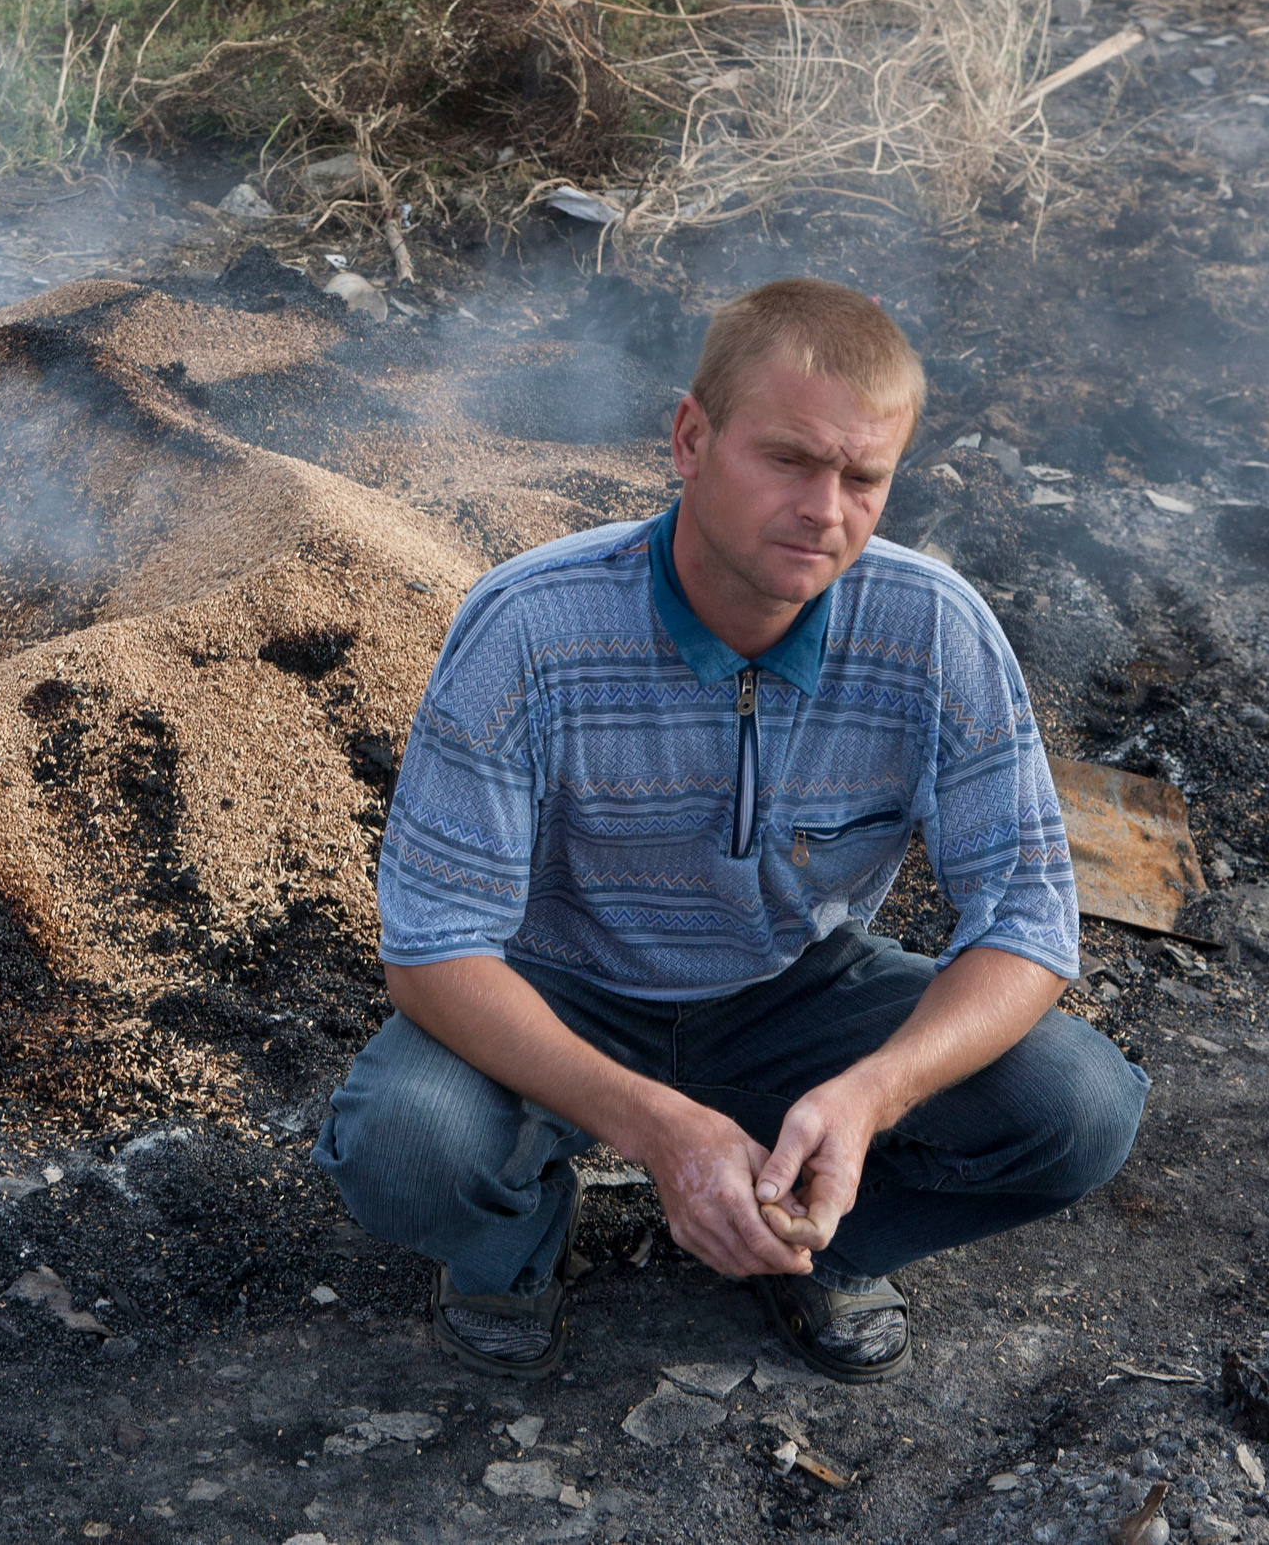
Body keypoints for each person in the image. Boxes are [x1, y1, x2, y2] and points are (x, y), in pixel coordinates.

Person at [312, 277, 1147, 1383]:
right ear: (691, 437)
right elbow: (433, 953)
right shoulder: (530, 627)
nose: (825, 510)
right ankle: (512, 1254)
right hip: (562, 987)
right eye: (790, 460)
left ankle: (811, 1242)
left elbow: (1029, 917)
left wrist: (870, 1095)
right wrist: (661, 1130)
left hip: (794, 992)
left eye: (863, 477)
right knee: (404, 1143)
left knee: (1078, 1106)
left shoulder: (931, 630)